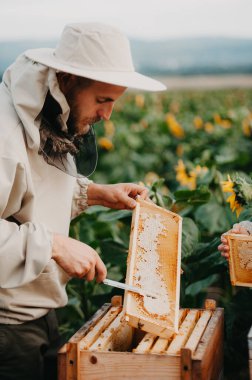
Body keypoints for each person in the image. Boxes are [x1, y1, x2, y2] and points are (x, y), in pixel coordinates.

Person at [0, 22, 166, 380]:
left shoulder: (54, 112)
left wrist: (94, 194)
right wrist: (55, 245)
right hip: (6, 327)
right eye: (103, 100)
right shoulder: (5, 134)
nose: (108, 115)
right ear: (69, 79)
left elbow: (29, 195)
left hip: (40, 311)